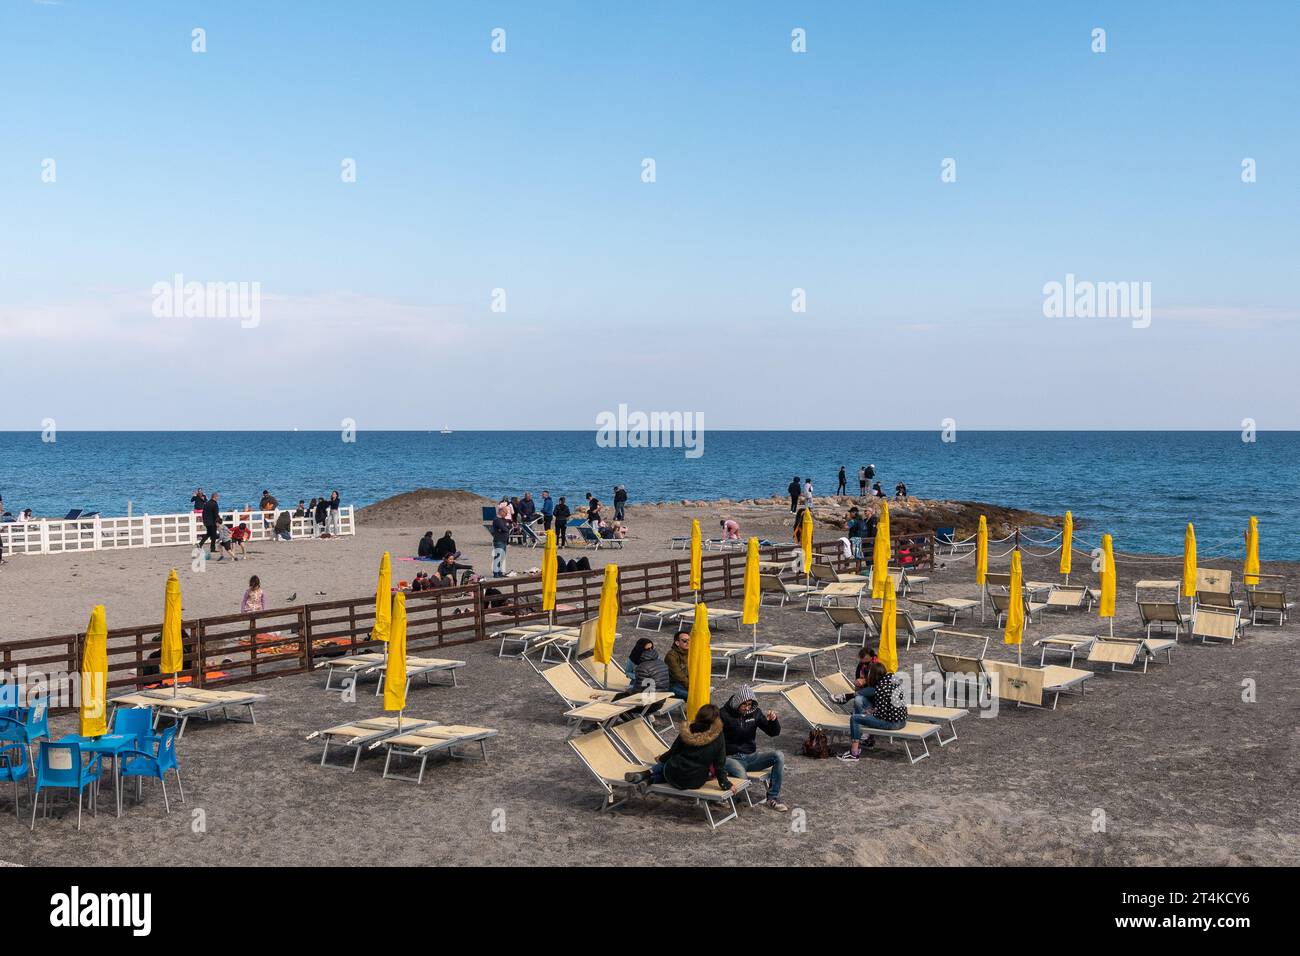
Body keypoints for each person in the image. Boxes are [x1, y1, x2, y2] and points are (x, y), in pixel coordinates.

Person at [623, 704, 734, 797]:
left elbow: (673, 751)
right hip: (696, 780)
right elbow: (720, 764)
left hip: (673, 773)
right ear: (716, 720)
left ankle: (645, 774)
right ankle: (647, 781)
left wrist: (661, 758)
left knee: (671, 763)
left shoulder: (688, 730)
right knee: (682, 771)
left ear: (699, 716)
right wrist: (725, 784)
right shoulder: (718, 736)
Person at [721, 684, 789, 812]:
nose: (747, 708)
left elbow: (773, 733)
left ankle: (772, 798)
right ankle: (729, 799)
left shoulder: (755, 713)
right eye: (744, 704)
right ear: (737, 702)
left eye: (750, 704)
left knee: (778, 755)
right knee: (741, 773)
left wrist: (773, 721)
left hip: (751, 757)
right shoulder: (723, 714)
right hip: (731, 758)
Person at [838, 660, 908, 761]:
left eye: (869, 674)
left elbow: (881, 715)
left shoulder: (880, 688)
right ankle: (858, 741)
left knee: (854, 718)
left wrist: (870, 713)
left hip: (892, 723)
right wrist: (872, 711)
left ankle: (854, 753)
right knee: (861, 704)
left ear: (873, 675)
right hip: (902, 721)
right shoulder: (893, 681)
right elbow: (888, 705)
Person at [664, 630, 690, 698]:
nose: (688, 642)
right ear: (677, 643)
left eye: (689, 640)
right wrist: (692, 687)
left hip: (684, 683)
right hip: (671, 684)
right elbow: (678, 675)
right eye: (684, 641)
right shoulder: (671, 656)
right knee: (692, 696)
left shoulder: (689, 652)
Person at [490, 510, 511, 577]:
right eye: (505, 512)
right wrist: (505, 528)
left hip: (504, 541)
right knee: (498, 557)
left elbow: (508, 526)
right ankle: (496, 572)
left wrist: (506, 527)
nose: (506, 513)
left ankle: (500, 572)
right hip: (499, 540)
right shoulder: (497, 519)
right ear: (501, 512)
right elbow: (504, 528)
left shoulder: (503, 520)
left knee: (502, 557)